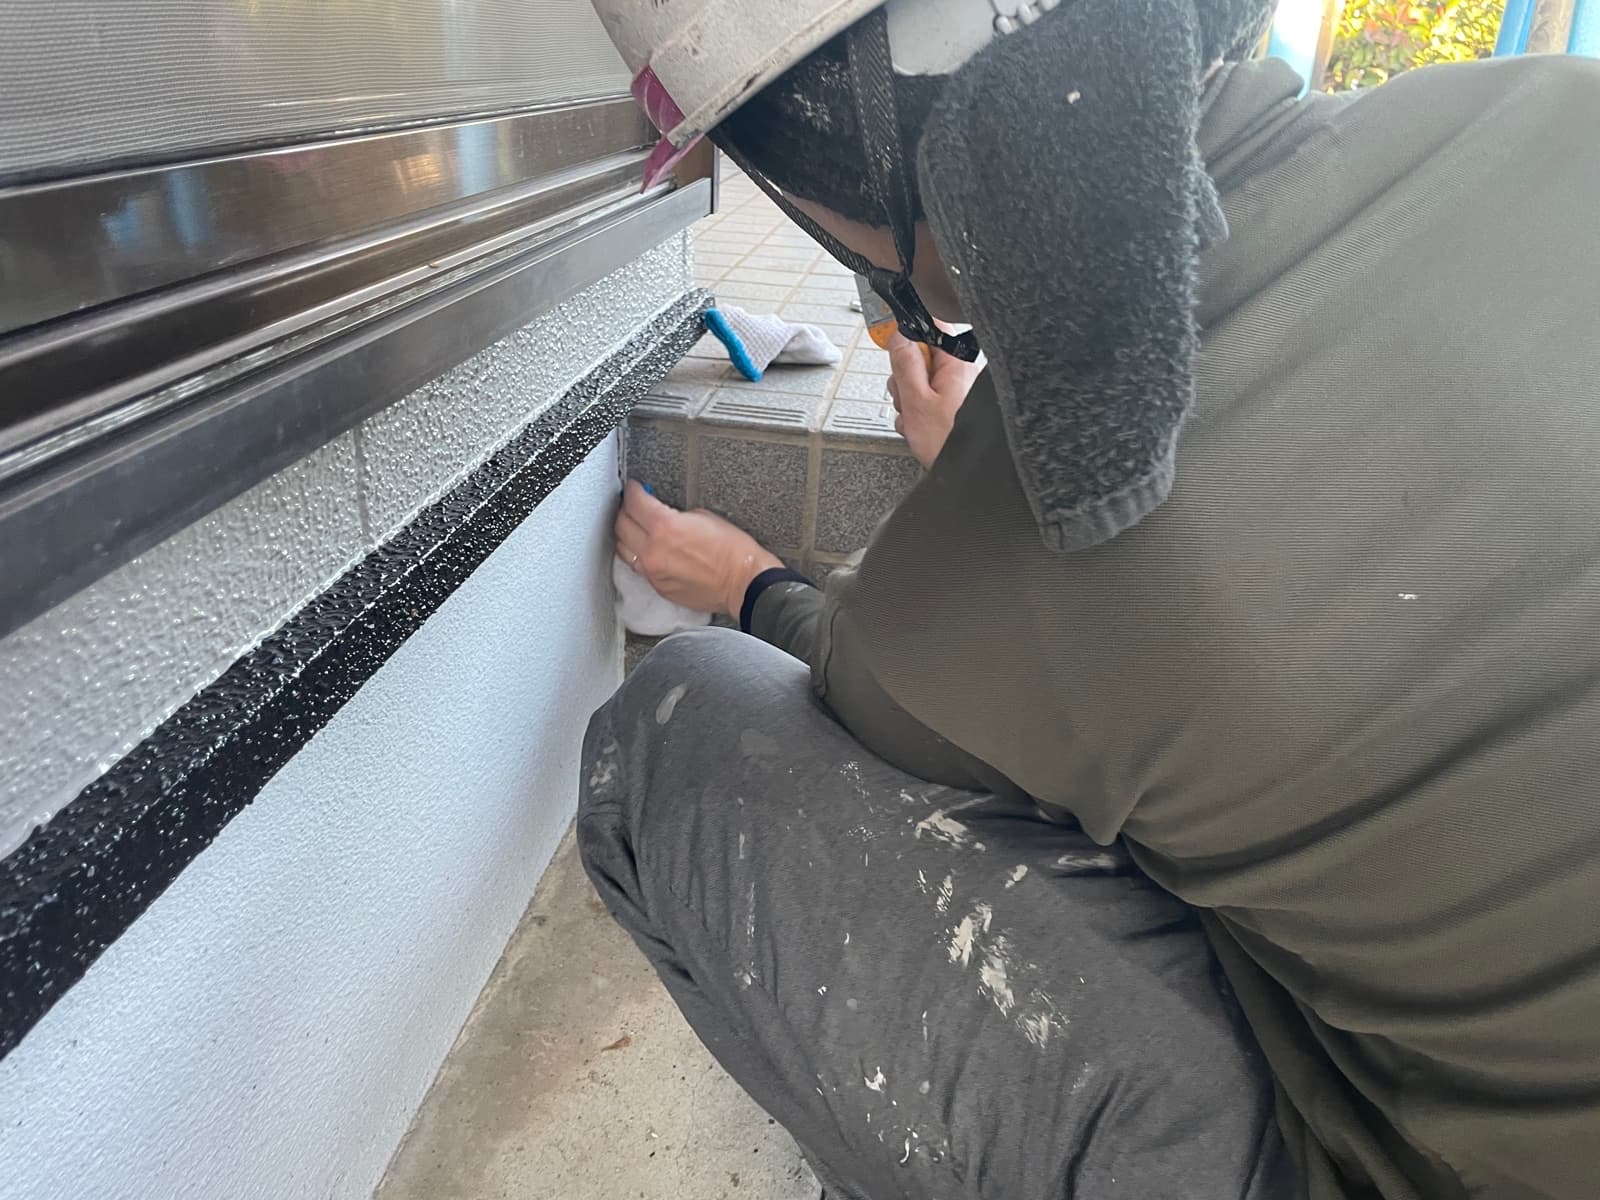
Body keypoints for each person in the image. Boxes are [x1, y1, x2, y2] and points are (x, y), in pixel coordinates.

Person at [582, 1, 1600, 1196]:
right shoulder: (1557, 115)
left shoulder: (965, 586)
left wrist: (745, 584)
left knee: (679, 723)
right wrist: (996, 457)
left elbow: (882, 674)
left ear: (830, 155)